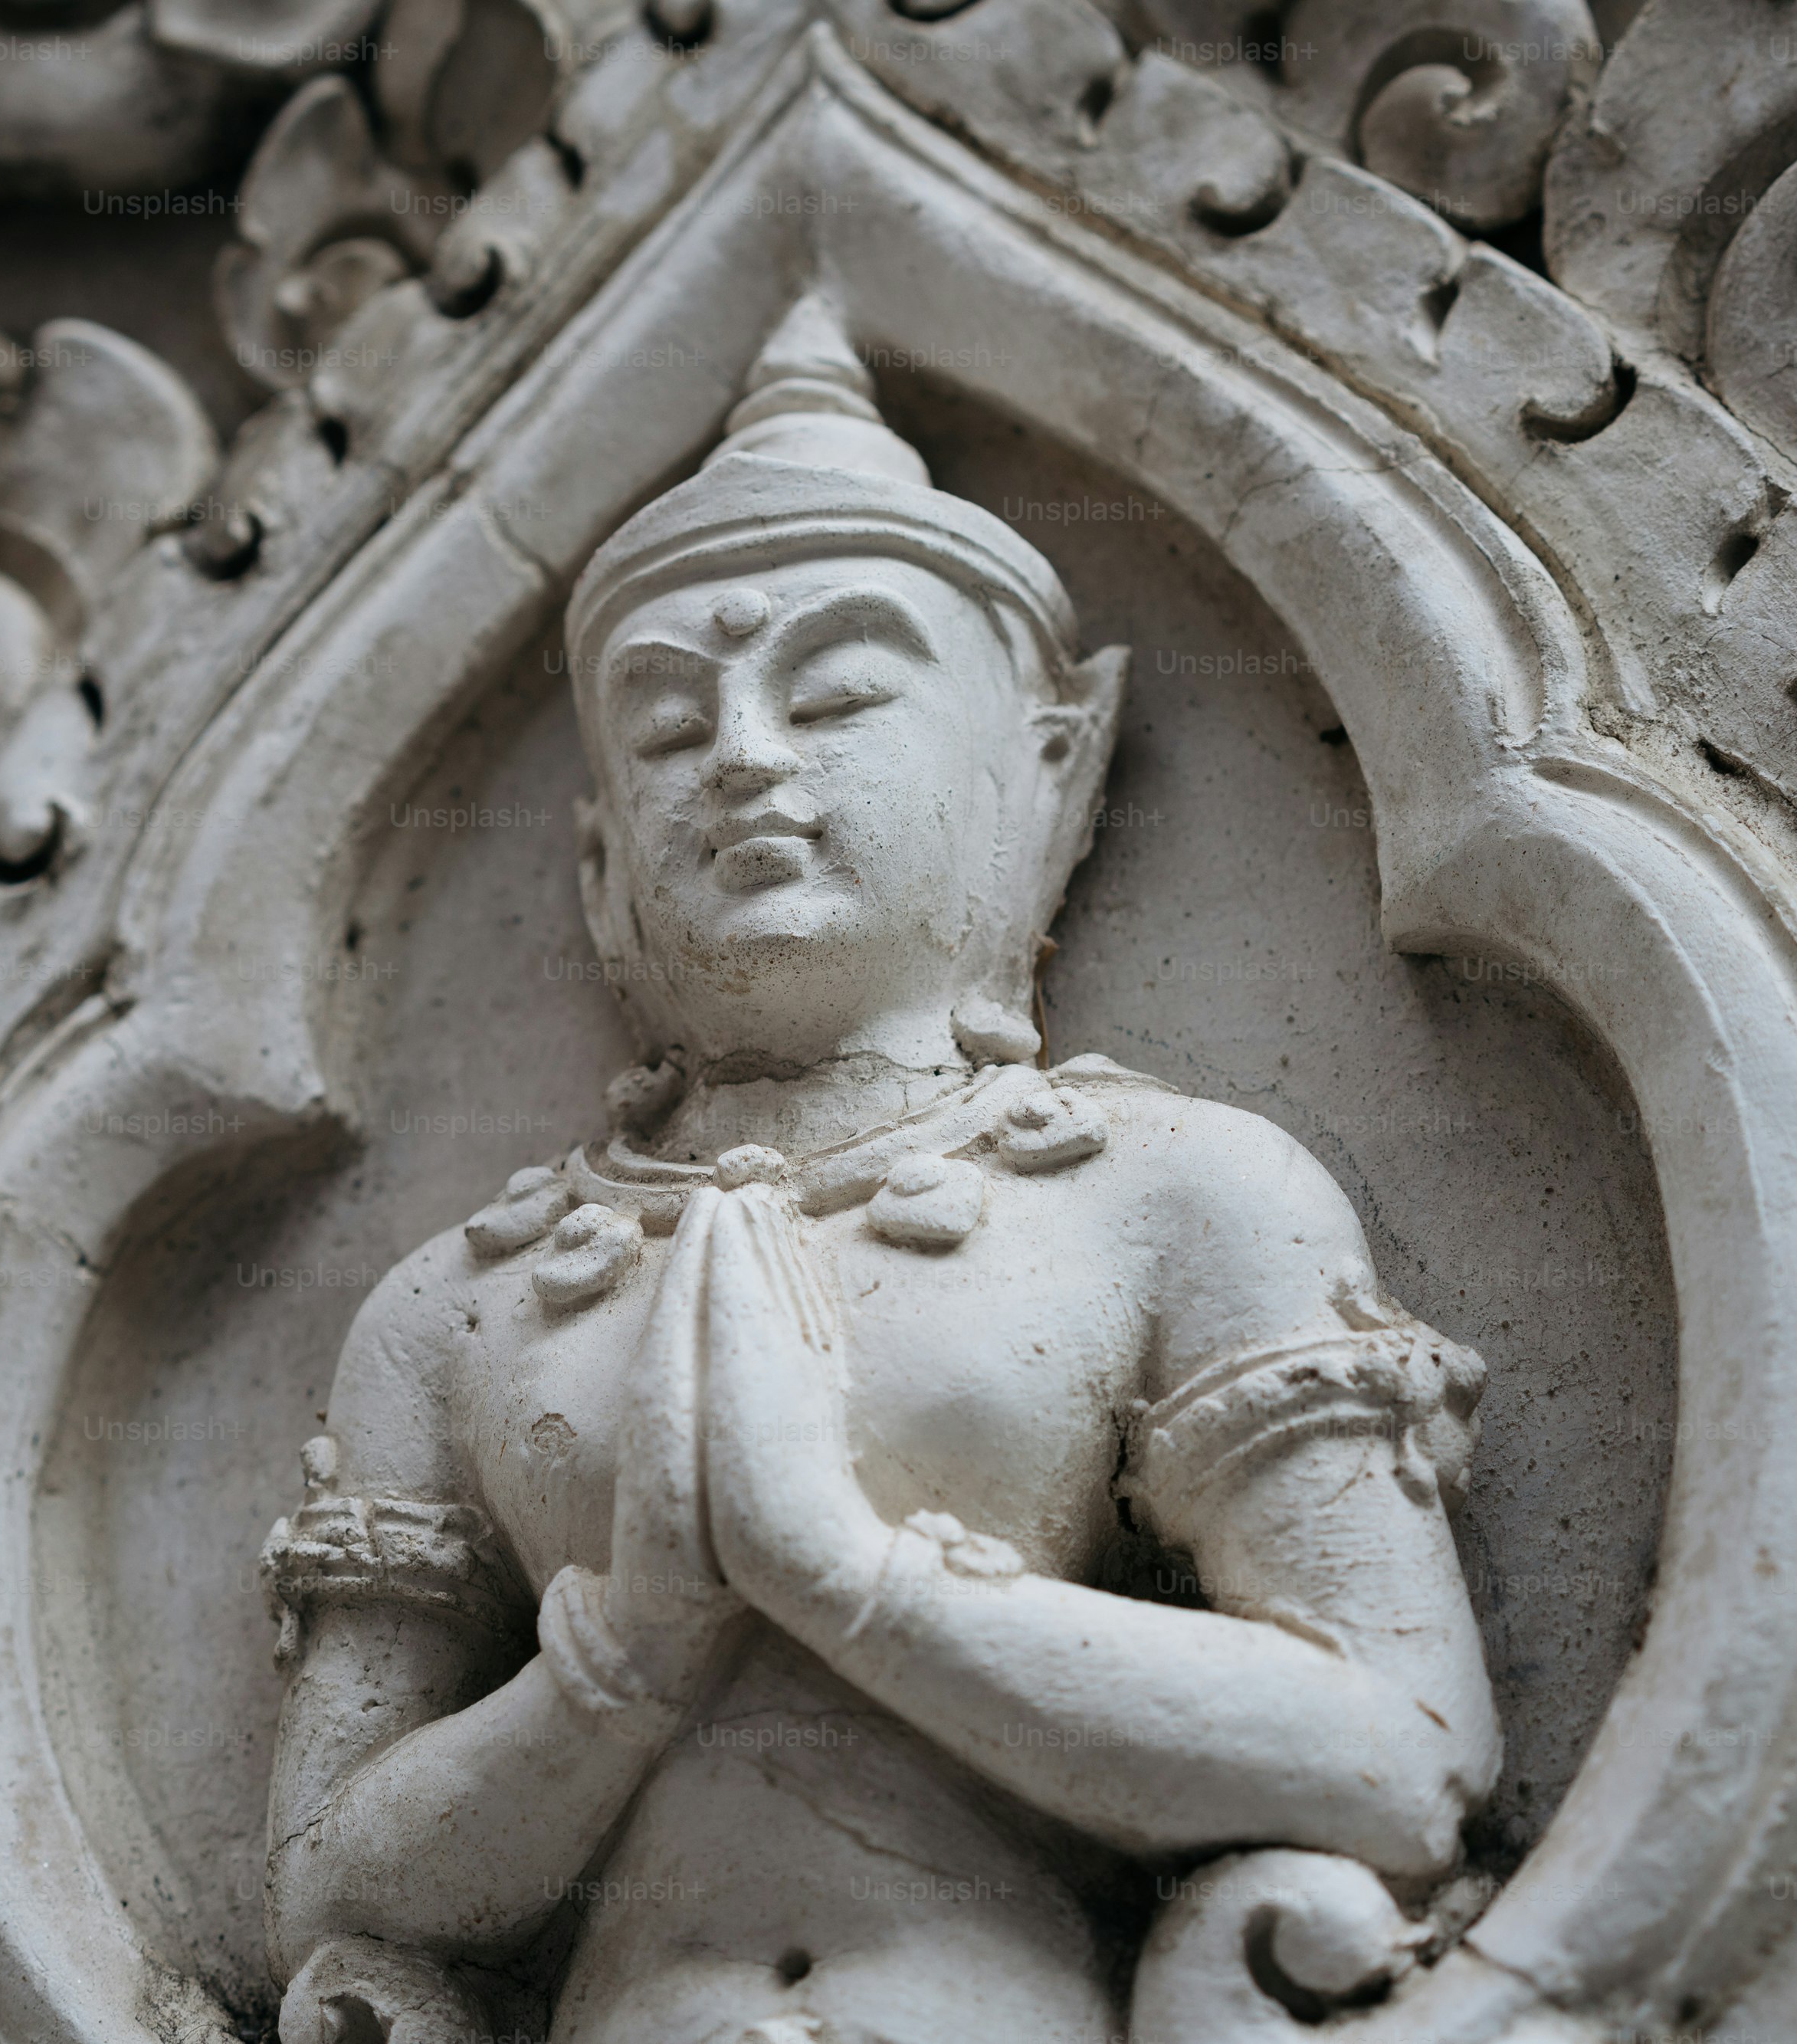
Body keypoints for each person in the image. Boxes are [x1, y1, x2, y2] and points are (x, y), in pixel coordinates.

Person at [261, 294, 1497, 2044]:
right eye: (671, 726)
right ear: (603, 858)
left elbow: (1400, 1750)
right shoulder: (455, 1302)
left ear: (1044, 770)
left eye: (835, 687)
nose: (746, 753)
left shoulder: (1173, 1189)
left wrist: (846, 1573)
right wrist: (627, 1645)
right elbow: (327, 1881)